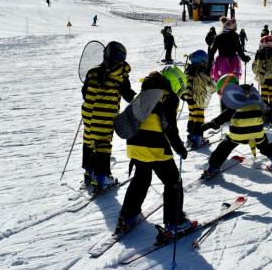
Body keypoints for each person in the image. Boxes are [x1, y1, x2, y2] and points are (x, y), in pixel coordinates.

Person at [115, 67, 193, 239]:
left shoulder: (142, 94)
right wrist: (179, 146)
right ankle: (175, 223)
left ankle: (128, 216)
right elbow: (168, 125)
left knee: (141, 179)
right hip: (155, 146)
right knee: (173, 181)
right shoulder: (168, 96)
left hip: (134, 144)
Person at [200, 82, 272, 178]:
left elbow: (226, 115)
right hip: (257, 132)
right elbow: (267, 110)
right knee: (265, 145)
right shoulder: (255, 98)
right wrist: (269, 118)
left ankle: (212, 169)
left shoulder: (236, 99)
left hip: (238, 133)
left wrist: (212, 123)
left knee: (223, 148)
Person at [81, 41, 136, 191]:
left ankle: (89, 173)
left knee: (89, 139)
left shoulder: (93, 71)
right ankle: (101, 178)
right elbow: (127, 94)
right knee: (103, 143)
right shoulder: (120, 73)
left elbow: (84, 92)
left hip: (88, 113)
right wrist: (140, 101)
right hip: (104, 115)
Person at [182, 50, 217, 148]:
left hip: (189, 98)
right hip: (199, 99)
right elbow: (212, 85)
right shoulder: (201, 72)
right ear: (202, 61)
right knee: (199, 117)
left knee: (192, 115)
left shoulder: (188, 70)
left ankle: (190, 136)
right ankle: (197, 139)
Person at [208, 17, 250, 81]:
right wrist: (244, 58)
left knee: (222, 80)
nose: (236, 29)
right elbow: (239, 49)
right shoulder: (235, 36)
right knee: (232, 79)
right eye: (235, 27)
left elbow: (212, 52)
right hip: (233, 61)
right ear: (231, 27)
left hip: (221, 62)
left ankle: (222, 90)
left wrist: (209, 66)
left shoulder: (218, 37)